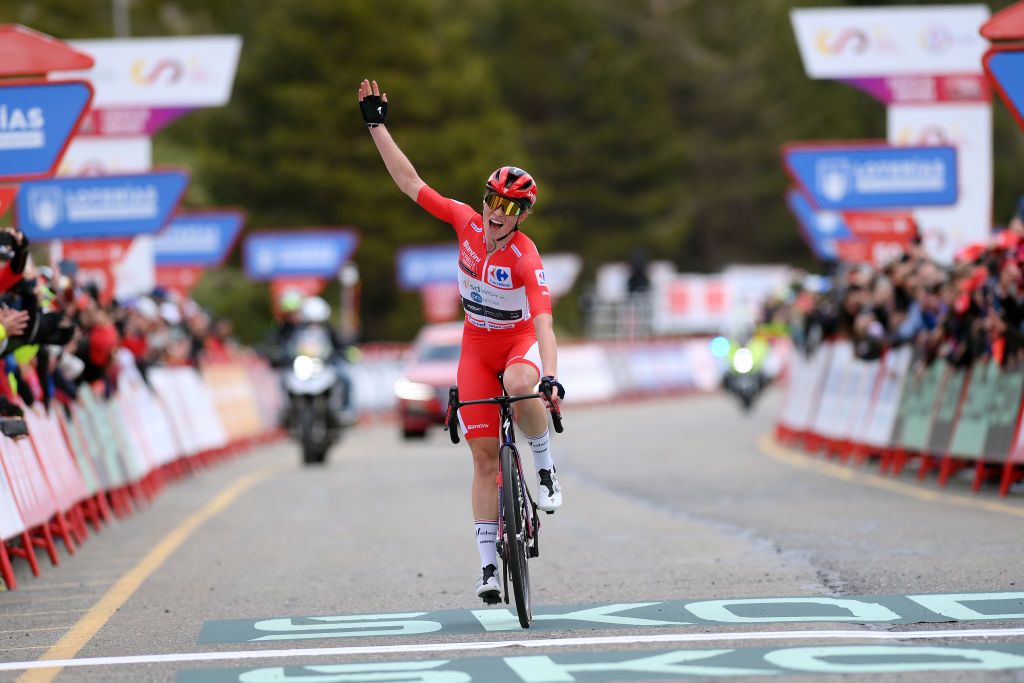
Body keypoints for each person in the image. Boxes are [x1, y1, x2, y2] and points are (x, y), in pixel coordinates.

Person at [359, 78, 565, 603]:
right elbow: (410, 183)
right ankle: (489, 568)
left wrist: (552, 376)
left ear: (521, 216)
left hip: (516, 343)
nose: (496, 211)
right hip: (475, 350)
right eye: (492, 199)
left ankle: (543, 466)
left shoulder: (526, 258)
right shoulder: (465, 224)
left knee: (522, 383)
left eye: (508, 206)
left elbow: (543, 324)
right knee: (481, 459)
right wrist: (377, 125)